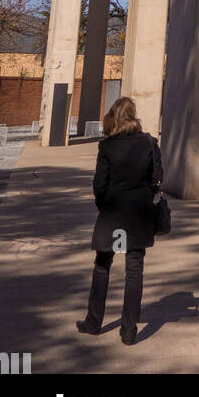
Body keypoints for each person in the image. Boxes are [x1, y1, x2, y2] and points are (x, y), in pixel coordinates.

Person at [76, 96, 162, 345]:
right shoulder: (148, 143)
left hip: (113, 212)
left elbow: (99, 184)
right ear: (133, 116)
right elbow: (158, 178)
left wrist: (103, 205)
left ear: (114, 117)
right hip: (138, 214)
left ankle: (93, 322)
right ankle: (128, 330)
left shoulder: (108, 147)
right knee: (134, 270)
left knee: (102, 264)